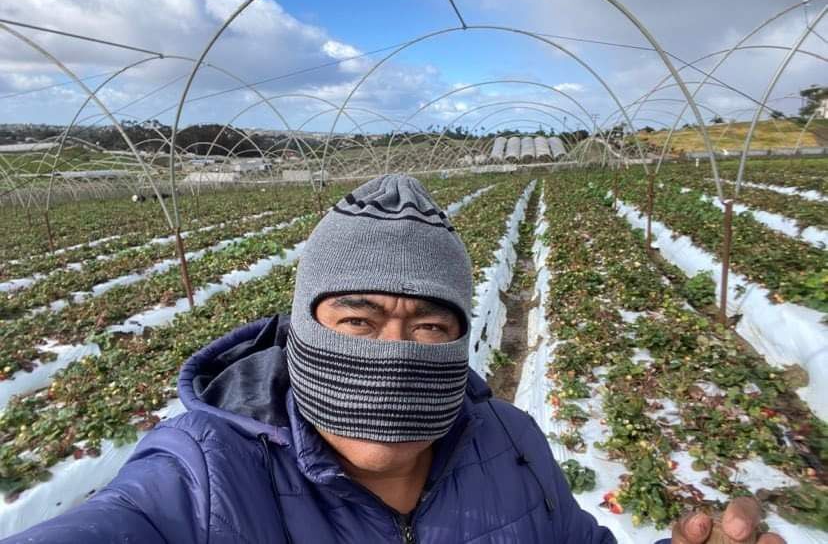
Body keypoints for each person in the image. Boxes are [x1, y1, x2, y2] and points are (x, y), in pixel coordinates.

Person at [4, 175, 784, 543]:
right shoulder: (202, 482)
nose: (394, 352)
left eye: (430, 326)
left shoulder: (513, 447)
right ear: (303, 328)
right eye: (358, 317)